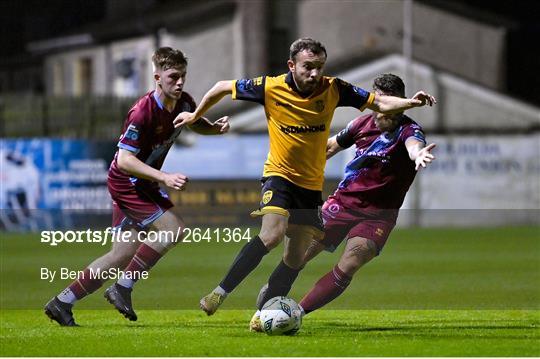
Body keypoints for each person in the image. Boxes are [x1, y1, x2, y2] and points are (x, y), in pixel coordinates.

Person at [174, 38, 435, 318]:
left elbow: (392, 119)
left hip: (328, 195)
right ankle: (220, 293)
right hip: (291, 180)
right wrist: (196, 115)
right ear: (292, 65)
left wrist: (413, 118)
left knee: (299, 259)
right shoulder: (271, 87)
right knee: (272, 235)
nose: (314, 73)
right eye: (308, 67)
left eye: (319, 67)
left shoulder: (336, 90)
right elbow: (222, 87)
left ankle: (277, 313)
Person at [44, 47, 230, 326]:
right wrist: (163, 177)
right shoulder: (142, 112)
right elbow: (124, 160)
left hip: (141, 183)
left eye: (183, 76)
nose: (179, 82)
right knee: (174, 229)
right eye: (173, 77)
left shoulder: (184, 102)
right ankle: (122, 287)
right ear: (157, 77)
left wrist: (212, 128)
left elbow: (192, 122)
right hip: (128, 182)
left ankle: (62, 302)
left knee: (122, 254)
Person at [250, 73, 436, 331]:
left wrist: (418, 154)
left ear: (401, 104)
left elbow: (414, 145)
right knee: (299, 254)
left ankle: (295, 313)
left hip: (379, 216)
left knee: (351, 262)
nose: (383, 115)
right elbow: (328, 148)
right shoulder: (360, 124)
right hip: (343, 204)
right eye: (380, 106)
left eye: (390, 108)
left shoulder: (409, 130)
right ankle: (266, 306)